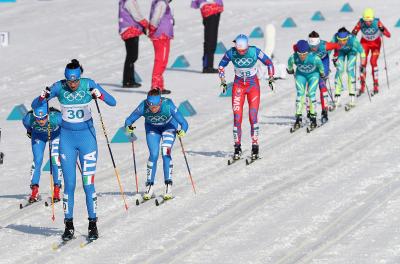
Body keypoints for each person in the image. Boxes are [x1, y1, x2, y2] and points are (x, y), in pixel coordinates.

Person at [32, 59, 117, 241]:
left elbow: (113, 102)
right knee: (69, 185)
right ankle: (68, 226)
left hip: (88, 140)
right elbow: (35, 106)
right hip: (67, 140)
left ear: (80, 77)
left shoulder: (88, 84)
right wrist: (41, 97)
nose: (73, 84)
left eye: (76, 81)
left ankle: (92, 224)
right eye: (70, 81)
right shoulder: (58, 87)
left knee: (88, 184)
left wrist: (98, 95)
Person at [218, 34, 274, 160]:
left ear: (247, 46)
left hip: (253, 86)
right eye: (239, 50)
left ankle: (255, 146)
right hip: (238, 86)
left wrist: (271, 78)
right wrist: (223, 80)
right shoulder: (231, 53)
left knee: (252, 116)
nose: (241, 53)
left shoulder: (254, 51)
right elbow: (221, 65)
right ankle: (237, 147)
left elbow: (269, 62)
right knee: (237, 117)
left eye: (243, 50)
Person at [124, 89, 188, 200]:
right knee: (153, 154)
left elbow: (184, 123)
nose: (153, 109)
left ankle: (168, 186)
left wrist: (182, 131)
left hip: (169, 126)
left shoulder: (168, 105)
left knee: (165, 152)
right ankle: (149, 186)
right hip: (152, 128)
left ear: (160, 103)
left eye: (156, 107)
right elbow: (129, 120)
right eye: (150, 107)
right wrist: (128, 128)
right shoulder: (143, 106)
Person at [22, 103, 63, 203]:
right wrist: (29, 132)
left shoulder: (57, 118)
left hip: (55, 136)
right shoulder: (28, 118)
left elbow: (67, 127)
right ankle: (34, 190)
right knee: (37, 160)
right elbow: (27, 125)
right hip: (38, 137)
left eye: (44, 118)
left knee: (55, 159)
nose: (41, 121)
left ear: (48, 115)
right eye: (38, 118)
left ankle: (57, 189)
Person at [351, 7, 391, 95]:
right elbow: (352, 34)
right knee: (363, 64)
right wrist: (353, 34)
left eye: (369, 20)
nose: (367, 22)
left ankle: (376, 85)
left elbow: (388, 35)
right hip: (364, 44)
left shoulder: (377, 22)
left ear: (373, 19)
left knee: (373, 62)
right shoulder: (361, 22)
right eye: (366, 20)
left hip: (376, 44)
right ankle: (362, 85)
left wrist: (382, 30)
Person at [287, 40, 325, 130]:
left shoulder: (314, 58)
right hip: (301, 75)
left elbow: (320, 66)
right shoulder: (294, 57)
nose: (302, 56)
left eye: (304, 54)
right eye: (300, 54)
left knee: (311, 94)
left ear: (308, 52)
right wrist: (290, 69)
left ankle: (313, 118)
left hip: (313, 75)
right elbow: (289, 63)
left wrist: (322, 73)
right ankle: (298, 118)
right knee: (300, 94)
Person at [306, 31, 340, 123]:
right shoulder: (306, 46)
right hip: (312, 65)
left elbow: (337, 46)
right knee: (310, 86)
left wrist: (336, 56)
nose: (313, 48)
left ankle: (324, 111)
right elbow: (295, 47)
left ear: (319, 42)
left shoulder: (325, 45)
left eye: (315, 46)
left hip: (323, 63)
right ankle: (309, 110)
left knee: (322, 85)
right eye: (311, 46)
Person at [331, 27, 366, 108]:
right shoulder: (334, 37)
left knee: (350, 70)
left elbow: (362, 52)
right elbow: (328, 49)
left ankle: (352, 98)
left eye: (344, 40)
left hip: (352, 51)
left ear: (347, 37)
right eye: (340, 40)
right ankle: (337, 98)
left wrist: (363, 65)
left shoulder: (353, 39)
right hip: (341, 52)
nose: (342, 42)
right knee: (339, 70)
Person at [119, 0, 149, 88]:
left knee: (131, 56)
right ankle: (128, 81)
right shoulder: (129, 1)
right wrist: (146, 24)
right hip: (129, 31)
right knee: (132, 56)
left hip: (131, 30)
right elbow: (137, 15)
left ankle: (129, 80)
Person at [191, 0, 224, 73]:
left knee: (211, 39)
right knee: (210, 39)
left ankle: (208, 65)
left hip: (213, 9)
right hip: (210, 9)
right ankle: (207, 66)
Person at [149, 0, 174, 94]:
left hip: (163, 35)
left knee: (162, 61)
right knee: (160, 61)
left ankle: (159, 86)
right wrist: (153, 28)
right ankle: (155, 86)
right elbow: (155, 18)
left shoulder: (163, 3)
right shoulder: (161, 3)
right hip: (161, 36)